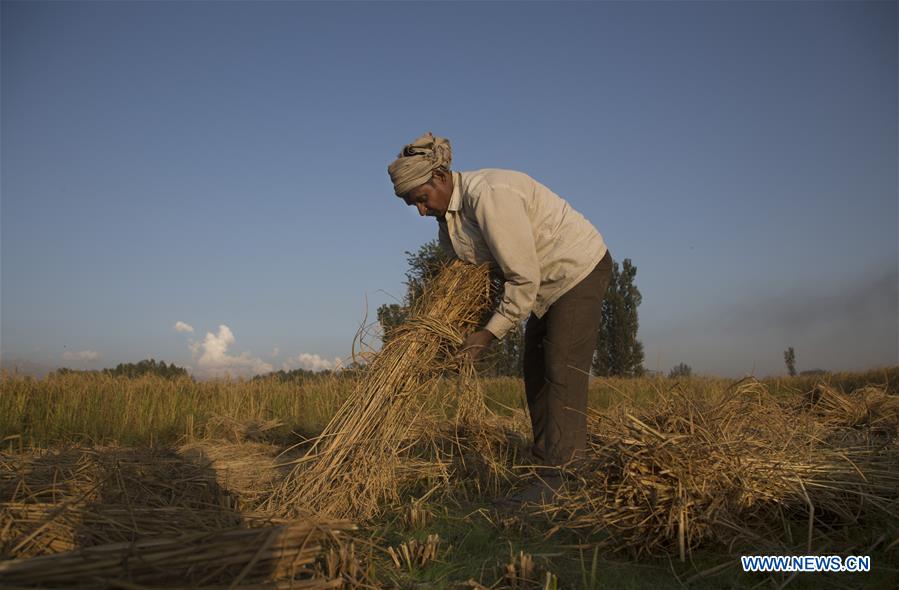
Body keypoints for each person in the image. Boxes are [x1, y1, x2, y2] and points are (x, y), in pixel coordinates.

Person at [387, 132, 612, 502]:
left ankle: (566, 478)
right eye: (413, 206)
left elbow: (523, 276)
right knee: (535, 368)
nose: (421, 211)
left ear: (441, 178)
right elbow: (471, 272)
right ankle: (546, 466)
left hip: (576, 270)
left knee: (562, 367)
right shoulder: (449, 219)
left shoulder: (489, 196)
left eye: (422, 200)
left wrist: (488, 335)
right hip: (543, 283)